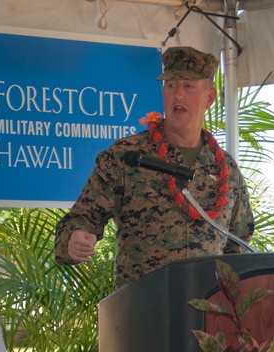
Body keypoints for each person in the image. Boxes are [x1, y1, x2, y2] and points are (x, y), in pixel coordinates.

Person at [54, 46, 254, 289]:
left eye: (188, 86)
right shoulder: (127, 156)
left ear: (209, 98)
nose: (178, 95)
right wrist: (75, 240)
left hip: (208, 315)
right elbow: (82, 218)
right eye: (171, 85)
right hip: (143, 311)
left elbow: (239, 243)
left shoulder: (226, 170)